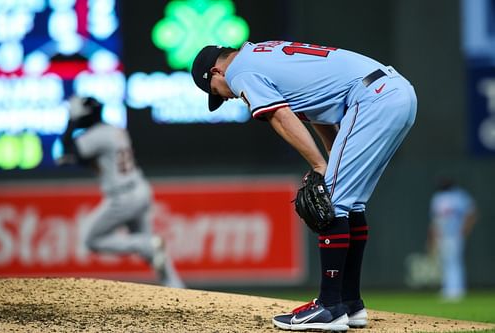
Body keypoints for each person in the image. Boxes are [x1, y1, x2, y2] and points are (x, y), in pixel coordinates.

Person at [191, 41, 417, 331]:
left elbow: (280, 116)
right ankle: (350, 303)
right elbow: (322, 117)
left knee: (331, 202)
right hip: (395, 92)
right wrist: (332, 166)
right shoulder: (264, 57)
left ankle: (329, 307)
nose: (228, 97)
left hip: (372, 98)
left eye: (216, 92)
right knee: (350, 201)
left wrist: (320, 168)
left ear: (216, 72)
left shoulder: (239, 72)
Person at [56, 96, 184, 288]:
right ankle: (176, 287)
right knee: (154, 254)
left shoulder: (95, 136)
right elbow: (82, 157)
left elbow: (66, 149)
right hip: (139, 188)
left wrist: (72, 121)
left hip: (122, 198)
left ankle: (144, 244)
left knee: (91, 239)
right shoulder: (114, 129)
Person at [428, 178, 477, 301]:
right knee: (446, 263)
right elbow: (435, 221)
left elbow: (471, 213)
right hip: (443, 235)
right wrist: (434, 237)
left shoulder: (458, 195)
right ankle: (448, 289)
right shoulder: (438, 198)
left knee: (454, 262)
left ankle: (457, 290)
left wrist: (464, 230)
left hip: (454, 234)